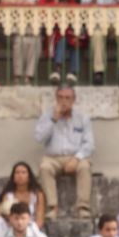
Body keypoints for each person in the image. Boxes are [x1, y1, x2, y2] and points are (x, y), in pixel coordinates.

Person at [34, 85, 94, 221]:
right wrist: (53, 120)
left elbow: (89, 144)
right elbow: (39, 138)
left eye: (67, 98)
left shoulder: (82, 118)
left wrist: (77, 158)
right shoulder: (47, 115)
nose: (64, 101)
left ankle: (83, 207)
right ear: (56, 98)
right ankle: (52, 207)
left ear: (74, 100)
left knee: (85, 167)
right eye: (60, 97)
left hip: (75, 156)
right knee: (44, 168)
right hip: (52, 157)